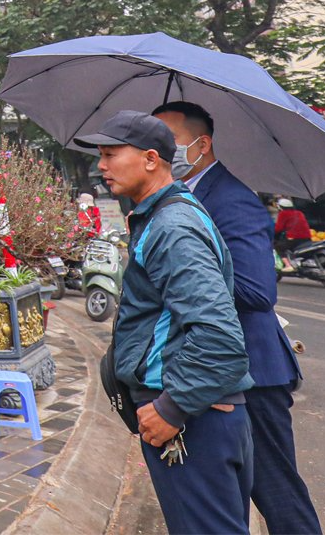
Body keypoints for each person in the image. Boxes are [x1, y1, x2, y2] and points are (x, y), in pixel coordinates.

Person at [80, 110, 255, 535]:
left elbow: (219, 337)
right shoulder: (161, 218)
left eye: (110, 154)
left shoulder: (172, 227)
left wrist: (171, 409)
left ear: (151, 159)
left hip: (193, 419)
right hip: (196, 412)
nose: (100, 166)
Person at [153, 101, 322, 535]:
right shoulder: (181, 198)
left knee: (276, 491)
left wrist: (184, 271)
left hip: (255, 371)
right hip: (216, 372)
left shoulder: (231, 198)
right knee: (227, 495)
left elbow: (257, 291)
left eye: (168, 141)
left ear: (202, 144)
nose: (159, 152)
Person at [274, 198, 313, 268]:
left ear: (280, 207)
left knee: (278, 247)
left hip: (294, 239)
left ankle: (288, 265)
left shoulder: (283, 213)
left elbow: (278, 228)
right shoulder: (299, 213)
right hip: (307, 238)